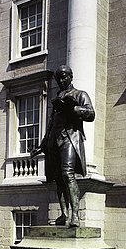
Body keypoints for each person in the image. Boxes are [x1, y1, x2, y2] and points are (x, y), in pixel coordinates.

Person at [31, 65, 95, 227]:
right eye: (59, 78)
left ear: (71, 77)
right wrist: (42, 145)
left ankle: (75, 215)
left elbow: (91, 114)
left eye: (65, 77)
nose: (61, 80)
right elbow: (52, 124)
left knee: (68, 174)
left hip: (70, 138)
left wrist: (73, 108)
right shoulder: (58, 97)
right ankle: (64, 214)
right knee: (58, 179)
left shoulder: (80, 94)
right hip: (54, 141)